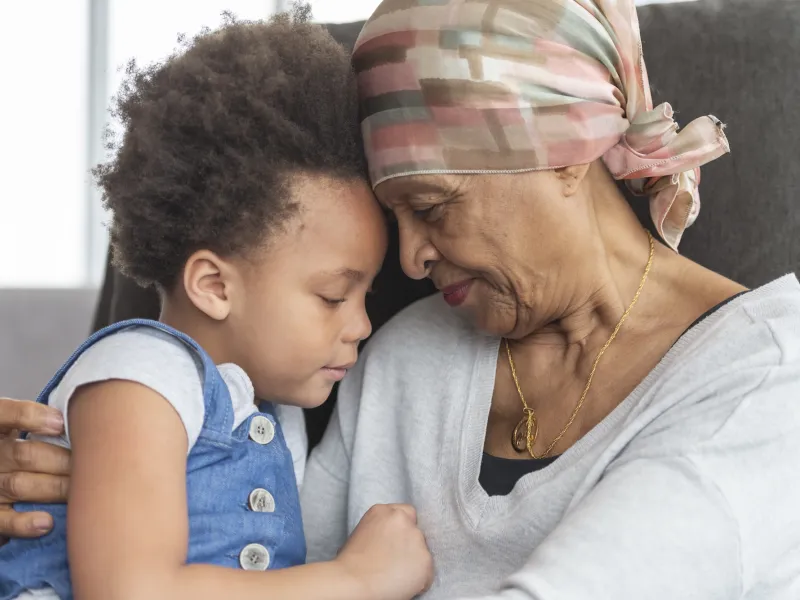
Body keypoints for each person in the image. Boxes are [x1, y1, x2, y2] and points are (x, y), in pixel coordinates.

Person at [2, 0, 800, 598]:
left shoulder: (769, 382)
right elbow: (271, 566)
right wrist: (105, 482)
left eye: (433, 204)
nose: (412, 262)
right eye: (397, 218)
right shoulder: (411, 351)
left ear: (563, 154)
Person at [0, 9, 433, 600]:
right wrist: (352, 580)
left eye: (367, 296)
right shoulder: (140, 381)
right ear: (214, 286)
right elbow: (131, 590)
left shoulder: (269, 412)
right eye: (333, 295)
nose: (360, 325)